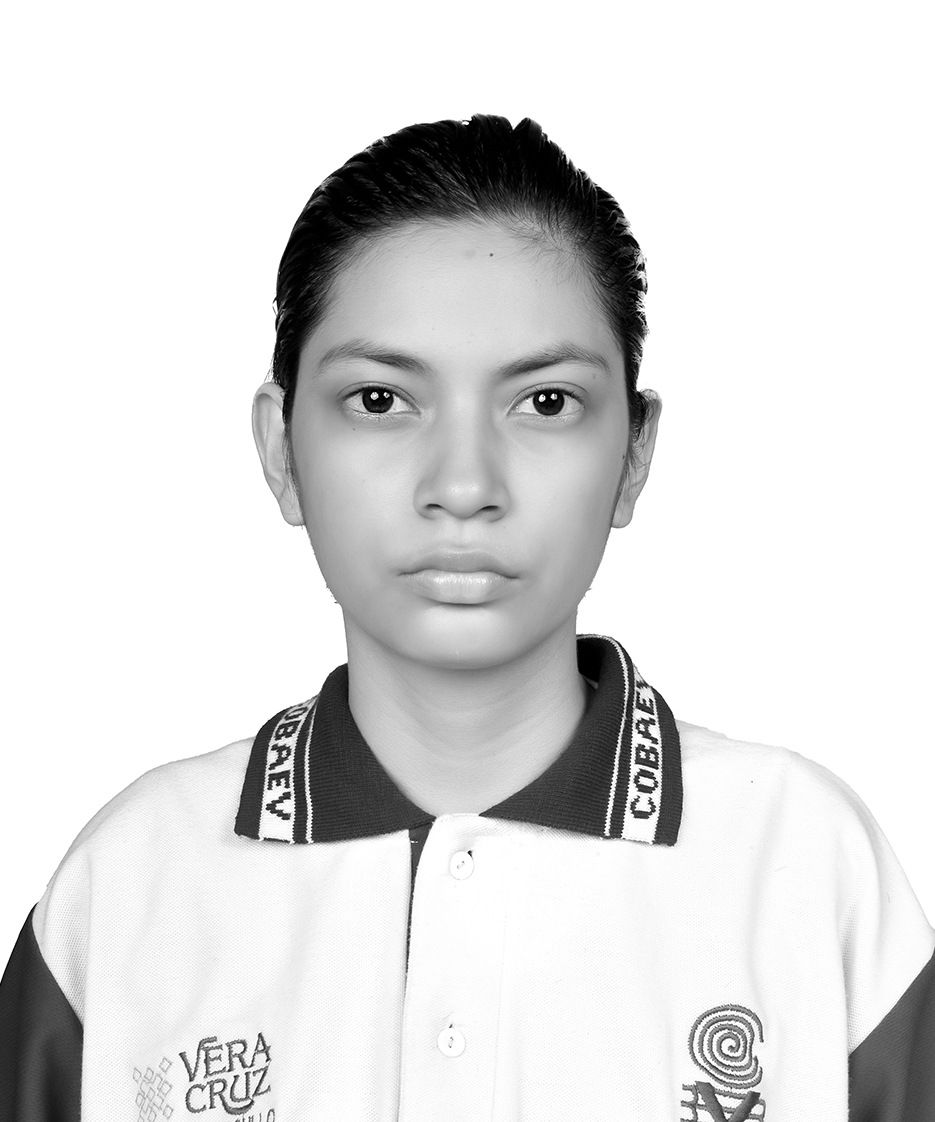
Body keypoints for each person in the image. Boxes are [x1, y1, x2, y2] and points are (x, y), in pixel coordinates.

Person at [0, 114, 931, 1122]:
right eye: (378, 400)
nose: (462, 485)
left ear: (633, 453)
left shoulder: (806, 872)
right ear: (280, 449)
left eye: (544, 403)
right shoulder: (130, 887)